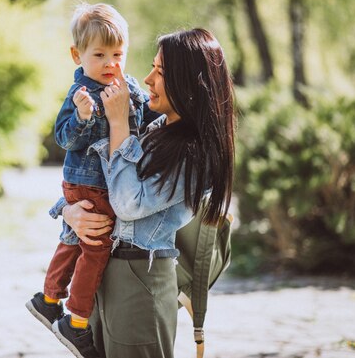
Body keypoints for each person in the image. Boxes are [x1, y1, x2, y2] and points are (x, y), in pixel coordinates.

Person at [50, 28, 236, 358]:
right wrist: (68, 210)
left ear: (188, 82)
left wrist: (119, 122)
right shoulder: (154, 129)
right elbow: (97, 186)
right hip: (104, 269)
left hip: (140, 277)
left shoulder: (195, 151)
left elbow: (127, 204)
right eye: (152, 67)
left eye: (161, 72)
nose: (147, 79)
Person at [25, 2, 152, 358]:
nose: (111, 63)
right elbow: (64, 139)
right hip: (88, 184)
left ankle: (48, 299)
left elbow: (144, 115)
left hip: (99, 185)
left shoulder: (124, 85)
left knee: (75, 240)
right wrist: (82, 116)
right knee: (95, 250)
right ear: (76, 55)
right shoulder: (81, 94)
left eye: (118, 53)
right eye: (99, 55)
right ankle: (76, 321)